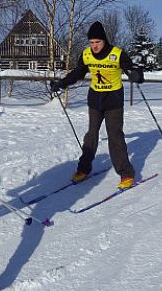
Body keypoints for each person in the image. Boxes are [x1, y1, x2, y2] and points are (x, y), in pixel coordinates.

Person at [50, 21, 144, 189]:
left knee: (115, 135)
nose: (94, 46)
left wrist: (137, 75)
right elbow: (78, 72)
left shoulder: (117, 54)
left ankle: (126, 173)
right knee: (91, 135)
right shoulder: (86, 55)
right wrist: (62, 83)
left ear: (104, 41)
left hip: (113, 101)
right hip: (95, 100)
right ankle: (83, 169)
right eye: (91, 42)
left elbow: (132, 69)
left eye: (97, 42)